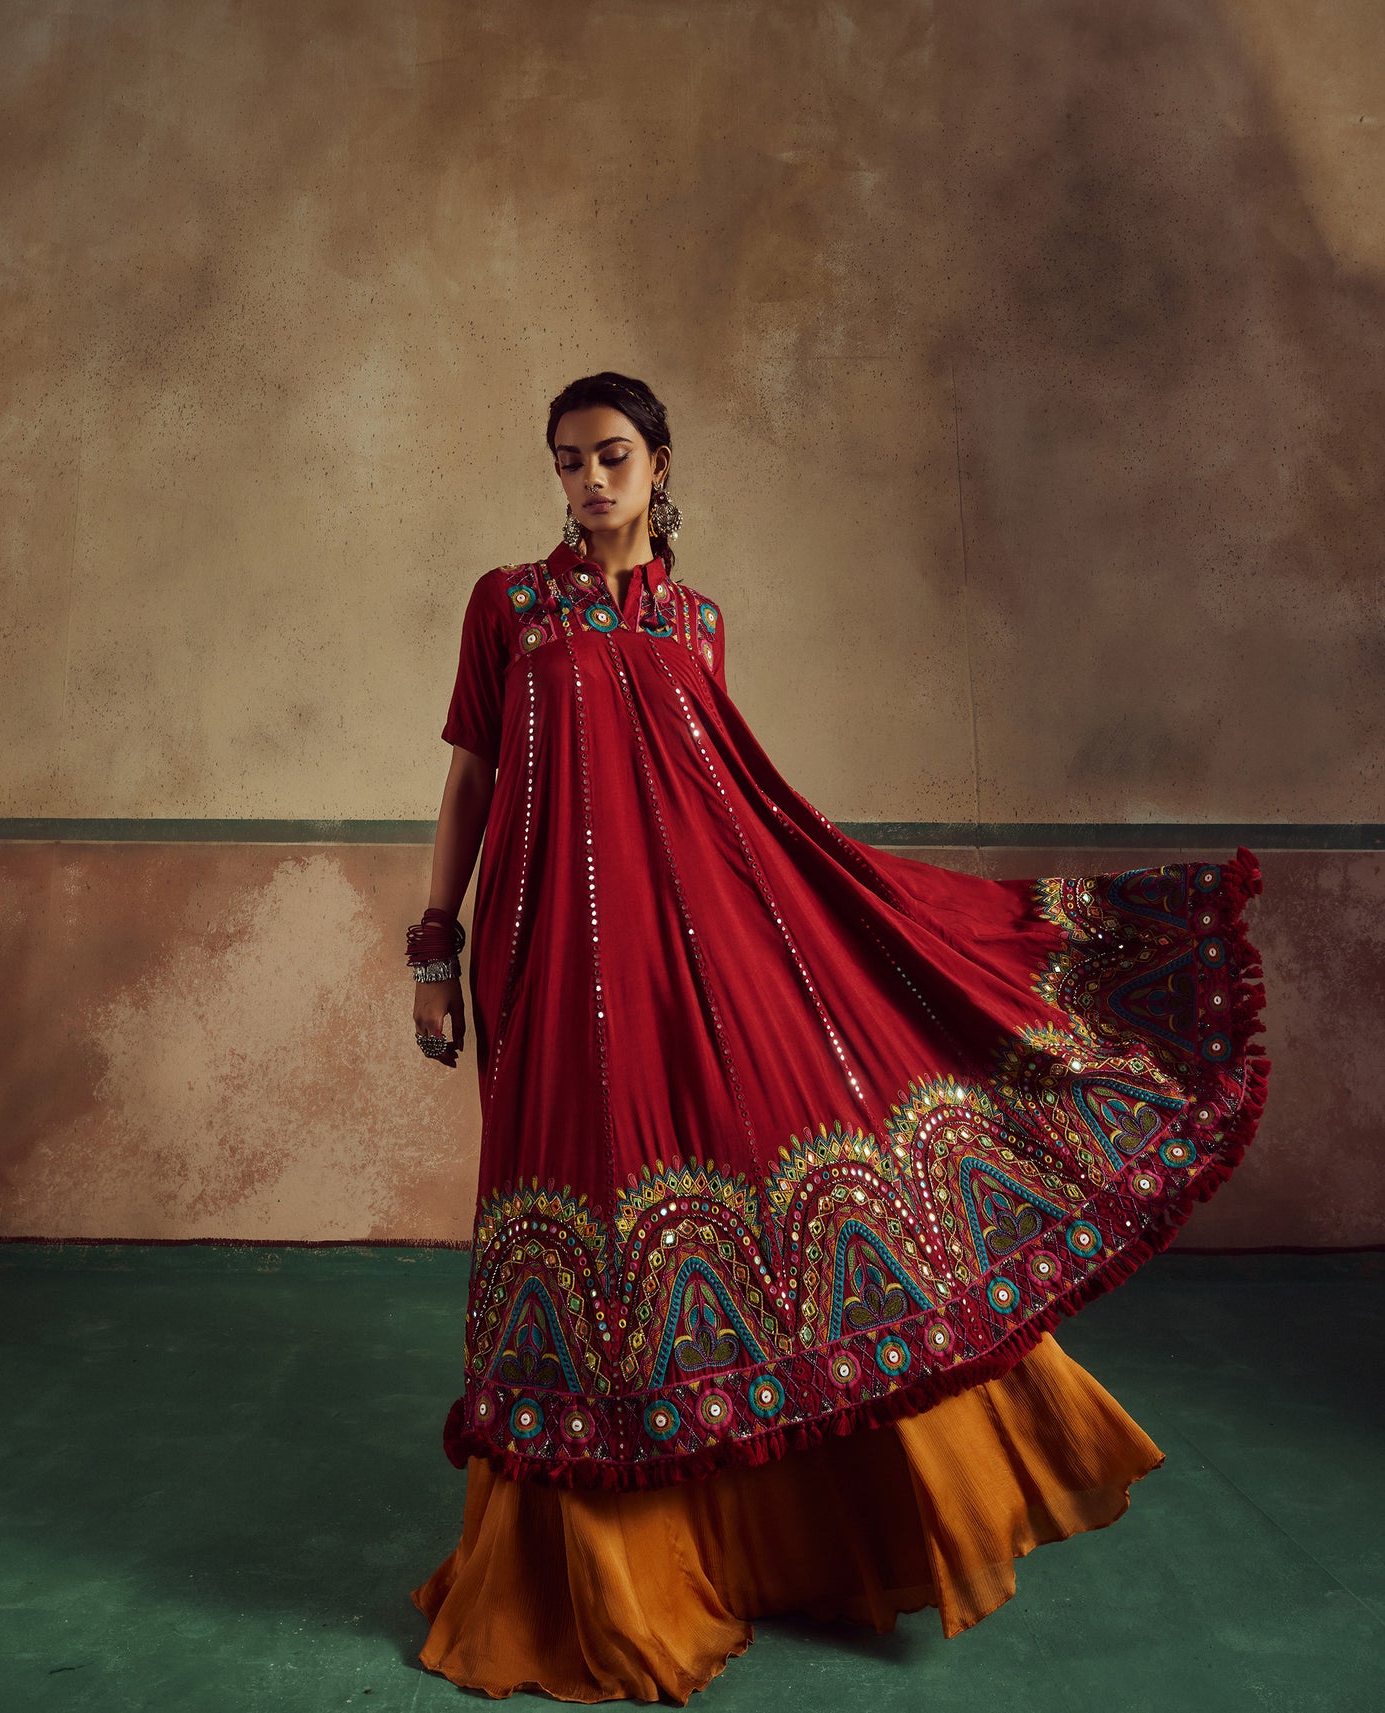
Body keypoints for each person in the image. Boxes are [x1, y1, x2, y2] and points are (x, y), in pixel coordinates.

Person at [406, 371, 1271, 1702]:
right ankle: (578, 1566)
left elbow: (730, 811)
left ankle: (740, 1542)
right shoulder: (508, 606)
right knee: (571, 1221)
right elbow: (471, 774)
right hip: (538, 958)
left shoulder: (695, 622)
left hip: (690, 964)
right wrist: (431, 943)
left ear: (659, 462)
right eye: (568, 461)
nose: (588, 482)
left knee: (745, 1200)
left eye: (612, 457)